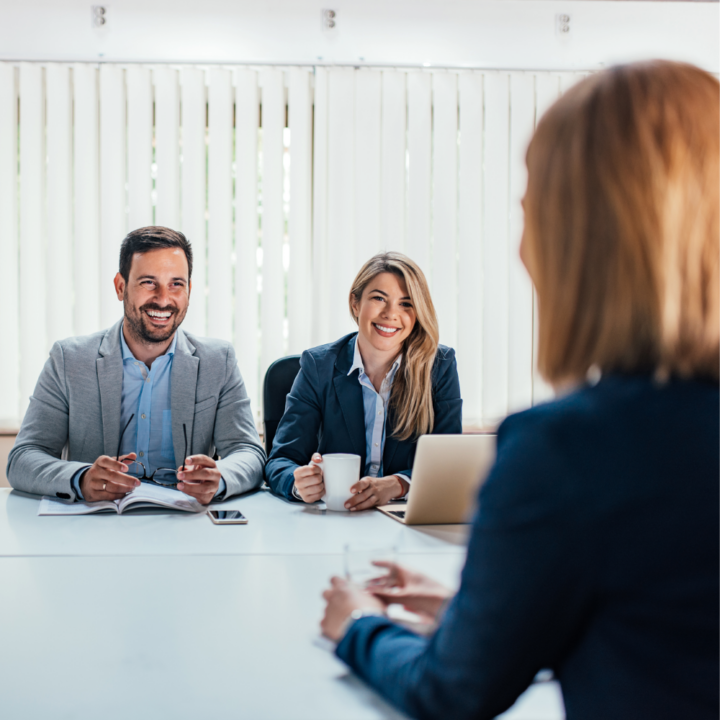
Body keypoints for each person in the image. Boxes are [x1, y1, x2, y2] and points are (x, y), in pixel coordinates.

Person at [320, 61, 719, 719]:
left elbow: (452, 691)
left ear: (576, 241)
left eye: (531, 209)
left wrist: (360, 624)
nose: (521, 246)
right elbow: (664, 629)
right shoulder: (319, 365)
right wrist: (490, 612)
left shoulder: (569, 450)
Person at [8, 226, 265, 504]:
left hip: (185, 525)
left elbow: (248, 452)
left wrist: (220, 477)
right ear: (121, 287)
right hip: (95, 526)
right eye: (148, 283)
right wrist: (81, 478)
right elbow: (23, 458)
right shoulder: (69, 360)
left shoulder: (218, 361)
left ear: (189, 289)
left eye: (176, 284)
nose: (164, 298)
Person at [265, 252, 462, 509]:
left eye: (406, 304)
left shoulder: (439, 365)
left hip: (404, 518)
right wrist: (298, 483)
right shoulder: (318, 366)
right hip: (337, 517)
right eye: (379, 298)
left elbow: (450, 466)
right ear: (355, 303)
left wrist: (399, 483)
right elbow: (280, 460)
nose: (391, 313)